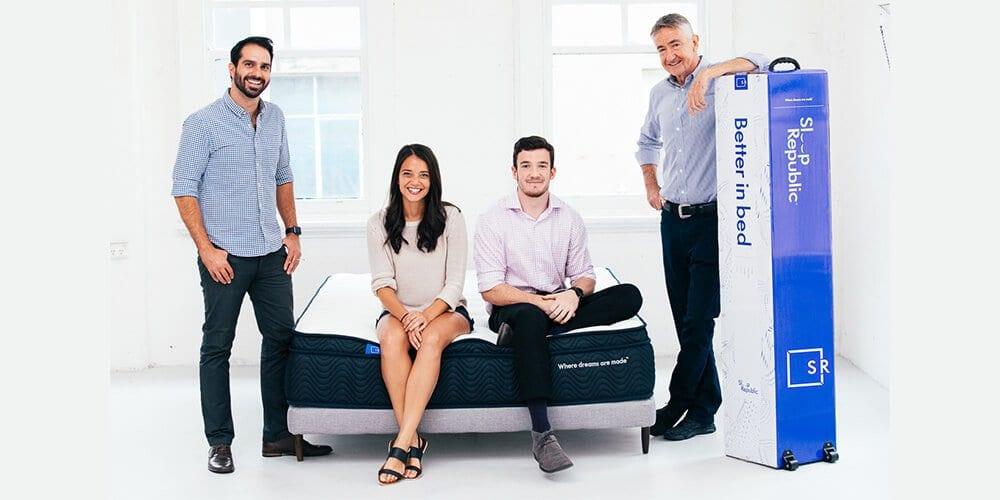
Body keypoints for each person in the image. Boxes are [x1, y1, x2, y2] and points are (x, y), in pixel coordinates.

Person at [171, 36, 332, 474]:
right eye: (249, 64)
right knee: (217, 347)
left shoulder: (276, 117)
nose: (256, 73)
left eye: (264, 66)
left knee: (281, 341)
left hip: (270, 253)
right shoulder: (202, 124)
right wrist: (207, 250)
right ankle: (219, 442)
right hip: (225, 256)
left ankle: (276, 435)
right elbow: (183, 189)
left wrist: (293, 232)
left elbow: (283, 175)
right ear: (231, 68)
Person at [635, 14, 769, 441]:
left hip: (712, 221)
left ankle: (678, 404)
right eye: (661, 49)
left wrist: (709, 73)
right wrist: (652, 185)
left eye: (676, 44)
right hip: (671, 221)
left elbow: (764, 61)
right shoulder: (659, 93)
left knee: (699, 320)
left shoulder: (721, 83)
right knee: (684, 319)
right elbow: (646, 143)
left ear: (694, 41)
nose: (670, 55)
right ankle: (705, 412)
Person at [475, 136, 643, 473]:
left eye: (541, 166)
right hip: (514, 304)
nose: (534, 173)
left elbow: (584, 275)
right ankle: (542, 434)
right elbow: (491, 289)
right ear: (514, 171)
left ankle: (528, 332)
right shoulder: (493, 218)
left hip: (556, 300)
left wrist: (573, 295)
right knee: (529, 318)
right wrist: (537, 302)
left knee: (629, 295)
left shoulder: (569, 217)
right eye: (526, 166)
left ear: (553, 172)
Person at [367, 144, 472, 485]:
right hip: (399, 311)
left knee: (430, 339)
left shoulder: (451, 217)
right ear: (397, 178)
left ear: (433, 180)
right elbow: (382, 285)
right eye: (408, 173)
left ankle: (400, 445)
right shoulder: (378, 223)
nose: (416, 181)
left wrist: (426, 315)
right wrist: (406, 316)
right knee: (391, 338)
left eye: (423, 175)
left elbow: (455, 283)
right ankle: (413, 440)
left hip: (445, 309)